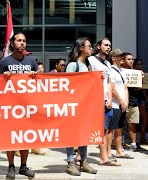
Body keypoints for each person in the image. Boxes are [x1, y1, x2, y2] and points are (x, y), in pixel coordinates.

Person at [0, 32, 37, 178]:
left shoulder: (31, 62)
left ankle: (24, 166)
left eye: (24, 41)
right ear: (12, 43)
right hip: (10, 108)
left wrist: (34, 76)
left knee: (26, 138)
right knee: (11, 139)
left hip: (27, 108)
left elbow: (39, 87)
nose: (22, 43)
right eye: (19, 40)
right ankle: (11, 166)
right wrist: (4, 78)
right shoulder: (4, 62)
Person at [64, 37, 97, 176]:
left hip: (85, 105)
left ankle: (83, 161)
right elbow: (66, 85)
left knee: (84, 133)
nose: (91, 48)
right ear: (81, 48)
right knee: (72, 134)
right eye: (89, 46)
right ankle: (71, 162)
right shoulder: (73, 65)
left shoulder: (87, 65)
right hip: (74, 105)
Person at [88, 37, 120, 166]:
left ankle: (104, 156)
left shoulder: (107, 64)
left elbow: (109, 83)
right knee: (98, 129)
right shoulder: (91, 60)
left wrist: (110, 99)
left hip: (106, 101)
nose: (108, 47)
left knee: (105, 129)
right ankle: (103, 158)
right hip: (95, 100)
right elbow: (87, 79)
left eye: (109, 45)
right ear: (98, 46)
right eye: (106, 45)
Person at [109, 48, 134, 159]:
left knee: (119, 128)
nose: (122, 58)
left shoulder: (122, 71)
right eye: (120, 56)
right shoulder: (111, 70)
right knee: (111, 129)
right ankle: (108, 152)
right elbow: (112, 89)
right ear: (114, 58)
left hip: (122, 104)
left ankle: (119, 151)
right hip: (114, 104)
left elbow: (125, 87)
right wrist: (121, 101)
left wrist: (126, 101)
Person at [122, 53, 145, 151]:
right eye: (128, 59)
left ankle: (133, 144)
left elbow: (139, 88)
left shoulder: (135, 73)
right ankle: (120, 144)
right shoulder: (119, 71)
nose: (131, 61)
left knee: (133, 123)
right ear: (123, 60)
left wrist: (141, 79)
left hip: (133, 102)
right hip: (122, 102)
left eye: (132, 59)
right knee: (120, 125)